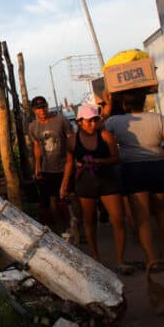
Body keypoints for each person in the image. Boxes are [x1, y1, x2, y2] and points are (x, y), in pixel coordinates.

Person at [104, 88, 164, 268]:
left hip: (133, 169)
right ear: (144, 103)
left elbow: (99, 128)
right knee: (161, 212)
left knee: (142, 218)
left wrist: (107, 107)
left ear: (124, 105)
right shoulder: (158, 119)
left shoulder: (115, 121)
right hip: (157, 166)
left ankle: (151, 259)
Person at [61, 104, 131, 274]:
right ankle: (95, 258)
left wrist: (98, 162)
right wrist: (63, 186)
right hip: (85, 182)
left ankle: (121, 260)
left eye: (95, 120)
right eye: (89, 121)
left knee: (118, 219)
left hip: (107, 179)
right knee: (90, 221)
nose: (93, 124)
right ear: (80, 122)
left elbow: (116, 157)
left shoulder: (105, 136)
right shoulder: (72, 141)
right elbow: (69, 163)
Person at [28, 95, 74, 232]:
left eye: (43, 107)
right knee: (53, 199)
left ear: (47, 106)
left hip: (65, 164)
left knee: (71, 195)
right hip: (48, 168)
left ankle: (77, 226)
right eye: (38, 108)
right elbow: (36, 146)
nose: (42, 110)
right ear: (34, 110)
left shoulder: (60, 120)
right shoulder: (33, 127)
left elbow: (71, 139)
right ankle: (62, 228)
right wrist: (37, 166)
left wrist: (73, 160)